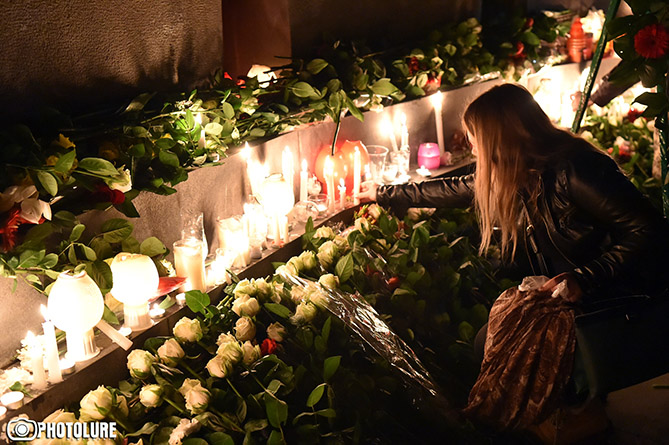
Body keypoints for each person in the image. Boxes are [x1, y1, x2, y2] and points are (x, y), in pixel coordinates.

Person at [359, 83, 669, 305]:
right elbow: (454, 188)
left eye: (475, 139)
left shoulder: (575, 169)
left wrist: (585, 278)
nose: (472, 147)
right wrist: (381, 193)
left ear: (499, 140)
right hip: (566, 289)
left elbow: (648, 228)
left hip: (617, 294)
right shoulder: (519, 171)